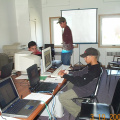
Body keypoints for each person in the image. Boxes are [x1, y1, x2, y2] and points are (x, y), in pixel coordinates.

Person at [58, 47, 102, 119]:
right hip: (86, 85)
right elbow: (81, 72)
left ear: (92, 57)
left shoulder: (95, 70)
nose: (84, 59)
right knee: (70, 83)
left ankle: (80, 113)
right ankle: (75, 99)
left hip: (86, 89)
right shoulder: (92, 65)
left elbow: (80, 82)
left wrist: (64, 76)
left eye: (86, 57)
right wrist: (67, 72)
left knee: (62, 97)